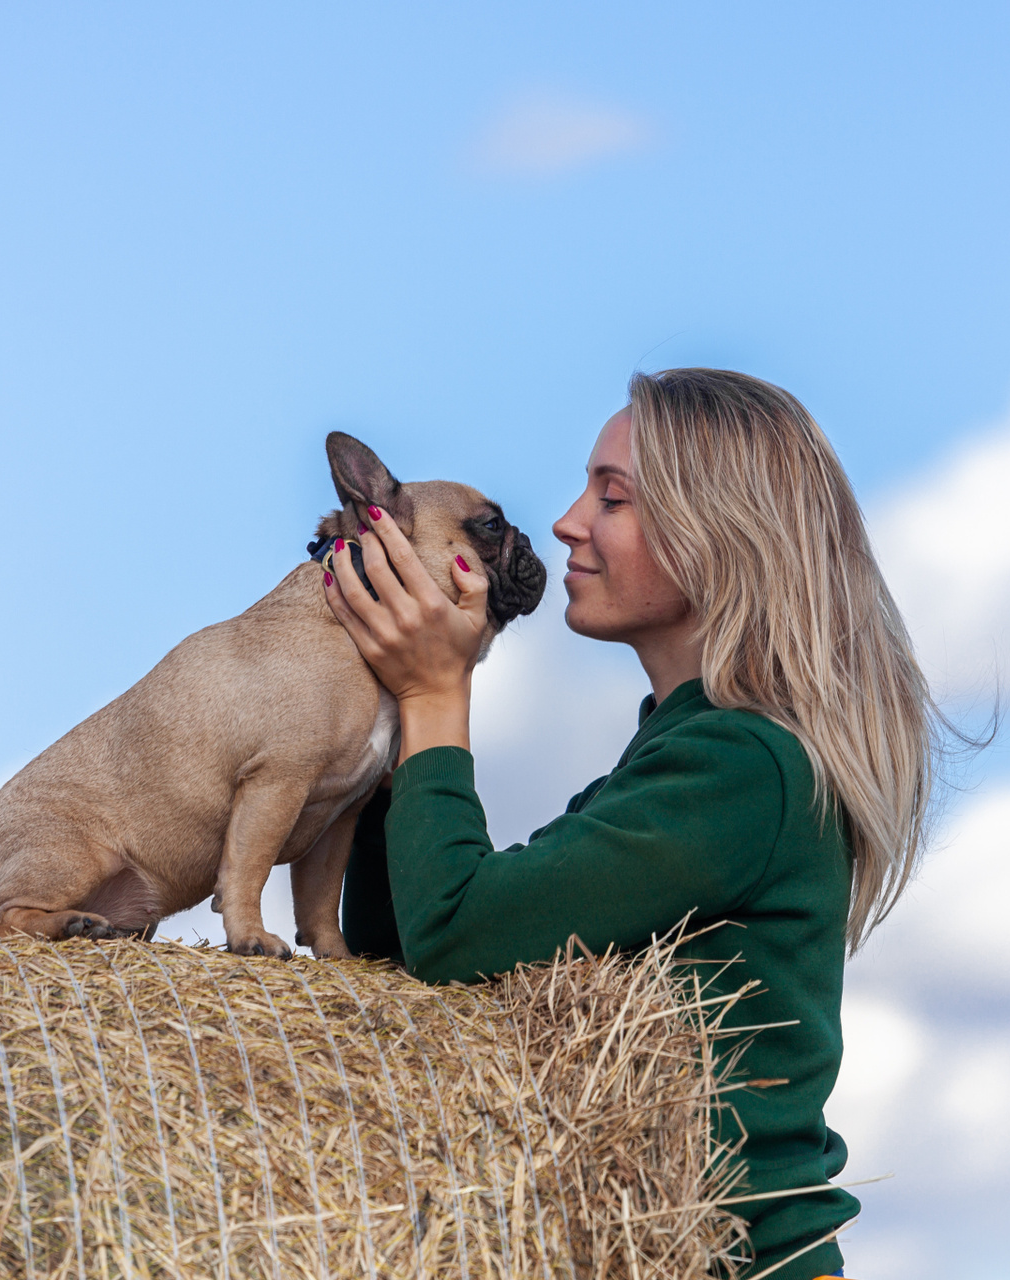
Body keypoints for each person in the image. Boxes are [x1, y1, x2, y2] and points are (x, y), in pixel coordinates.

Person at [324, 367, 942, 1280]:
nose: (567, 522)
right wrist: (392, 728)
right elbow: (411, 954)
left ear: (716, 535)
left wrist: (433, 694)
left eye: (611, 498)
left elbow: (457, 932)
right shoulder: (674, 758)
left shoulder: (742, 769)